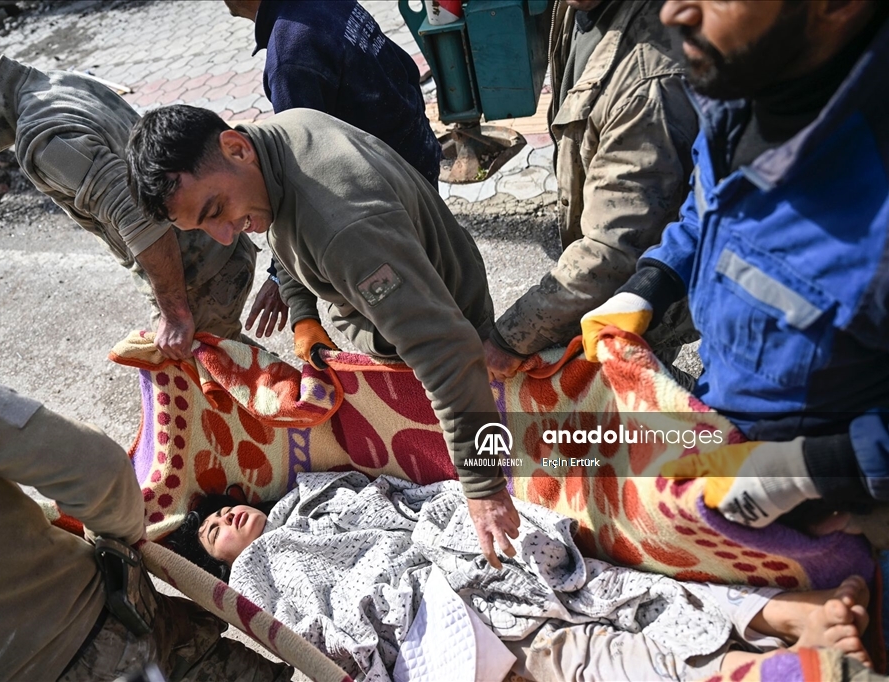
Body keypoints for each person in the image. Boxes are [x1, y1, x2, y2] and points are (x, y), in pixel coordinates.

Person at [126, 105, 519, 570]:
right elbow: (283, 227)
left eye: (216, 211)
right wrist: (302, 313)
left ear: (235, 148)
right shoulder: (277, 139)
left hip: (440, 339)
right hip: (411, 307)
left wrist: (485, 489)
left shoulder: (341, 228)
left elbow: (447, 354)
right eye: (203, 226)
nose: (225, 234)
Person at [580, 0, 889, 534]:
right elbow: (712, 206)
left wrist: (808, 470)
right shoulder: (744, 79)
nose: (673, 12)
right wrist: (653, 282)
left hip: (840, 518)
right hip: (724, 442)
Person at [168, 472, 874, 682]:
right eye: (210, 531)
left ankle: (791, 614)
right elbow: (322, 636)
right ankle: (782, 660)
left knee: (609, 589)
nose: (225, 519)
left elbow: (413, 498)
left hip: (464, 559)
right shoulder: (259, 585)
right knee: (581, 659)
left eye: (225, 509)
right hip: (421, 622)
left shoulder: (319, 492)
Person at [0, 12, 275, 361]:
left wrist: (175, 313)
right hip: (217, 250)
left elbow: (137, 217)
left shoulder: (43, 138)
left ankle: (316, 417)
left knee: (218, 378)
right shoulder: (57, 83)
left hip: (202, 273)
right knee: (226, 366)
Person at [0, 358, 293, 681]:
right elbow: (97, 470)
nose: (226, 516)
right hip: (106, 625)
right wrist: (121, 548)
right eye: (212, 526)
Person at [483, 0, 699, 382]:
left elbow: (612, 252)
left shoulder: (648, 84)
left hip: (651, 292)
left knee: (643, 402)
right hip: (631, 273)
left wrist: (510, 337)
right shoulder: (578, 9)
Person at [222, 0, 443, 339]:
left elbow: (298, 172)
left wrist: (284, 278)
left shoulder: (290, 57)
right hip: (417, 162)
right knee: (435, 278)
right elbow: (404, 68)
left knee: (402, 325)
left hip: (385, 202)